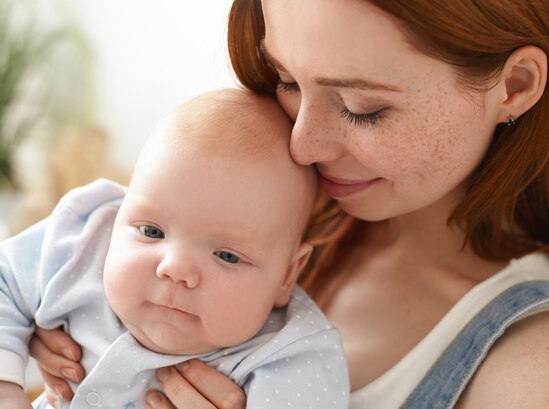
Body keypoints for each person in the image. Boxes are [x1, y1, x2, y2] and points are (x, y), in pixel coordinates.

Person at [30, 0, 549, 408]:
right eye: (287, 80)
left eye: (364, 108)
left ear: (513, 87)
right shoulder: (235, 205)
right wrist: (58, 346)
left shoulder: (530, 369)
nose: (302, 144)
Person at [0, 89, 349, 409]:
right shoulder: (83, 240)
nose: (175, 268)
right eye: (152, 231)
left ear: (287, 275)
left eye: (227, 255)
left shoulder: (292, 356)